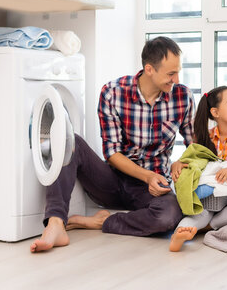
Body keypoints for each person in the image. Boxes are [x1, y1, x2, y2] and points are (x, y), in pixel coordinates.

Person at [30, 36, 195, 252]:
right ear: (149, 69)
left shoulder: (183, 97)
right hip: (112, 180)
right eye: (171, 73)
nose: (176, 79)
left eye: (178, 72)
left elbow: (195, 145)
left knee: (168, 216)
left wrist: (180, 162)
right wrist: (147, 175)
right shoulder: (113, 92)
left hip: (152, 188)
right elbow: (112, 154)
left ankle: (100, 222)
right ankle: (55, 224)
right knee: (70, 140)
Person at [169, 86, 227, 252]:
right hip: (211, 196)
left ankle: (209, 226)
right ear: (215, 112)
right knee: (199, 210)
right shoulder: (204, 137)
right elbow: (189, 161)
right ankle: (179, 233)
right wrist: (177, 164)